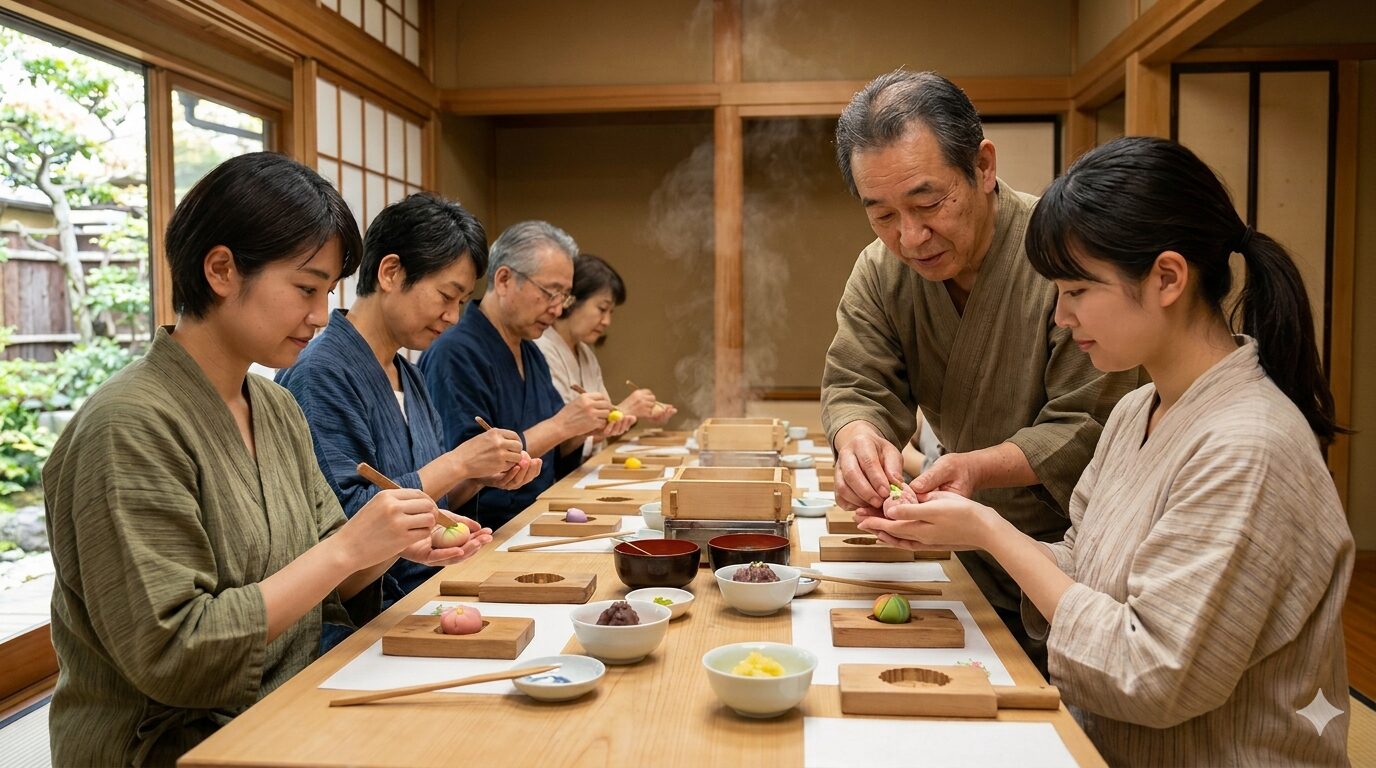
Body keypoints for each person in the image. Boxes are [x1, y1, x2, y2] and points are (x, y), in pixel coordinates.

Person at [860, 136, 1353, 765]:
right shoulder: (1133, 410)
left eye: (1076, 290)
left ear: (1167, 278)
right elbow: (1080, 561)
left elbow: (1154, 676)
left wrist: (988, 526)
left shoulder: (1249, 447)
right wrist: (963, 531)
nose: (1061, 317)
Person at [42, 153, 487, 766]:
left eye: (327, 292)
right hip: (178, 746)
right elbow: (177, 651)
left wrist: (392, 542)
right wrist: (348, 549)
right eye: (305, 288)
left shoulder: (274, 406)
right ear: (222, 270)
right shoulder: (128, 425)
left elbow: (331, 579)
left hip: (293, 707)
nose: (319, 314)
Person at [821, 69, 1136, 663]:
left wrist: (975, 469)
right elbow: (858, 381)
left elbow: (1089, 422)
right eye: (882, 216)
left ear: (983, 166)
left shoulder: (1064, 258)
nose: (911, 237)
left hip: (1069, 555)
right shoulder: (880, 273)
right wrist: (857, 439)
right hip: (965, 548)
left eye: (928, 202)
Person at [277, 193, 539, 618]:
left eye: (461, 302)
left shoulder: (406, 372)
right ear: (391, 272)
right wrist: (457, 463)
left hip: (427, 592)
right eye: (446, 295)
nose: (453, 316)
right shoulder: (321, 371)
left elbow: (429, 496)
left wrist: (480, 475)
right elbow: (346, 527)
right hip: (367, 618)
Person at [419, 221, 634, 529]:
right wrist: (561, 426)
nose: (558, 309)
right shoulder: (454, 353)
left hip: (537, 516)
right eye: (551, 293)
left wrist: (586, 429)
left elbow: (555, 450)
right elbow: (461, 476)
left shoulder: (530, 351)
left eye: (565, 297)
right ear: (504, 279)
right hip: (484, 532)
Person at [534, 253, 677, 460]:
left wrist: (635, 412)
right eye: (602, 309)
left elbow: (606, 416)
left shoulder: (585, 353)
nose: (607, 321)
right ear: (571, 300)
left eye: (611, 312)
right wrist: (626, 409)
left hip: (587, 467)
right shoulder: (540, 349)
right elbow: (559, 441)